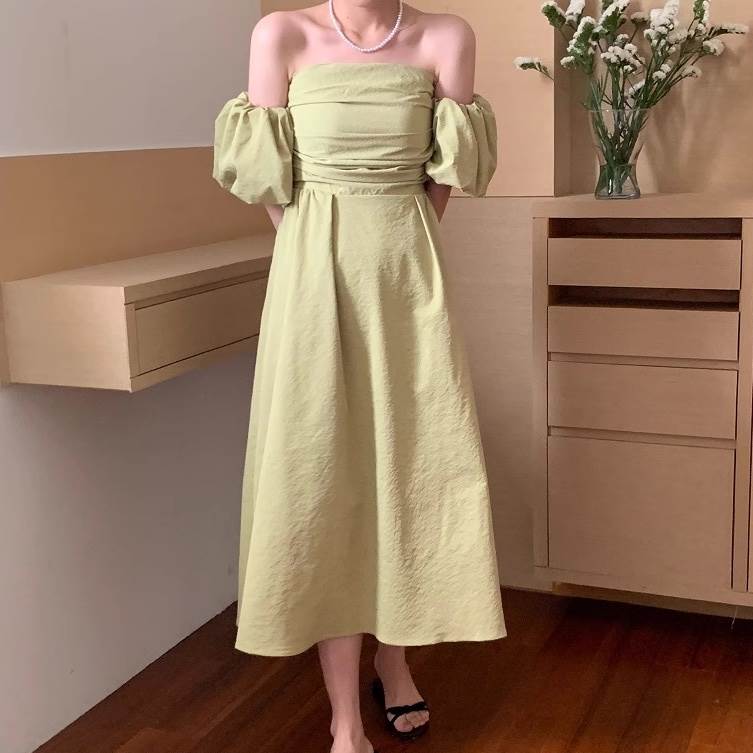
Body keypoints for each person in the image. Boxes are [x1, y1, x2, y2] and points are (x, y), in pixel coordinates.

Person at [212, 2, 507, 752]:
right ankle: (344, 716)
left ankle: (394, 658)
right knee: (322, 472)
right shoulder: (281, 33)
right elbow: (270, 180)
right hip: (311, 273)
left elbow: (444, 179)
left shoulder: (447, 36)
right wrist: (315, 248)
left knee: (411, 465)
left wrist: (394, 243)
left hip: (407, 275)